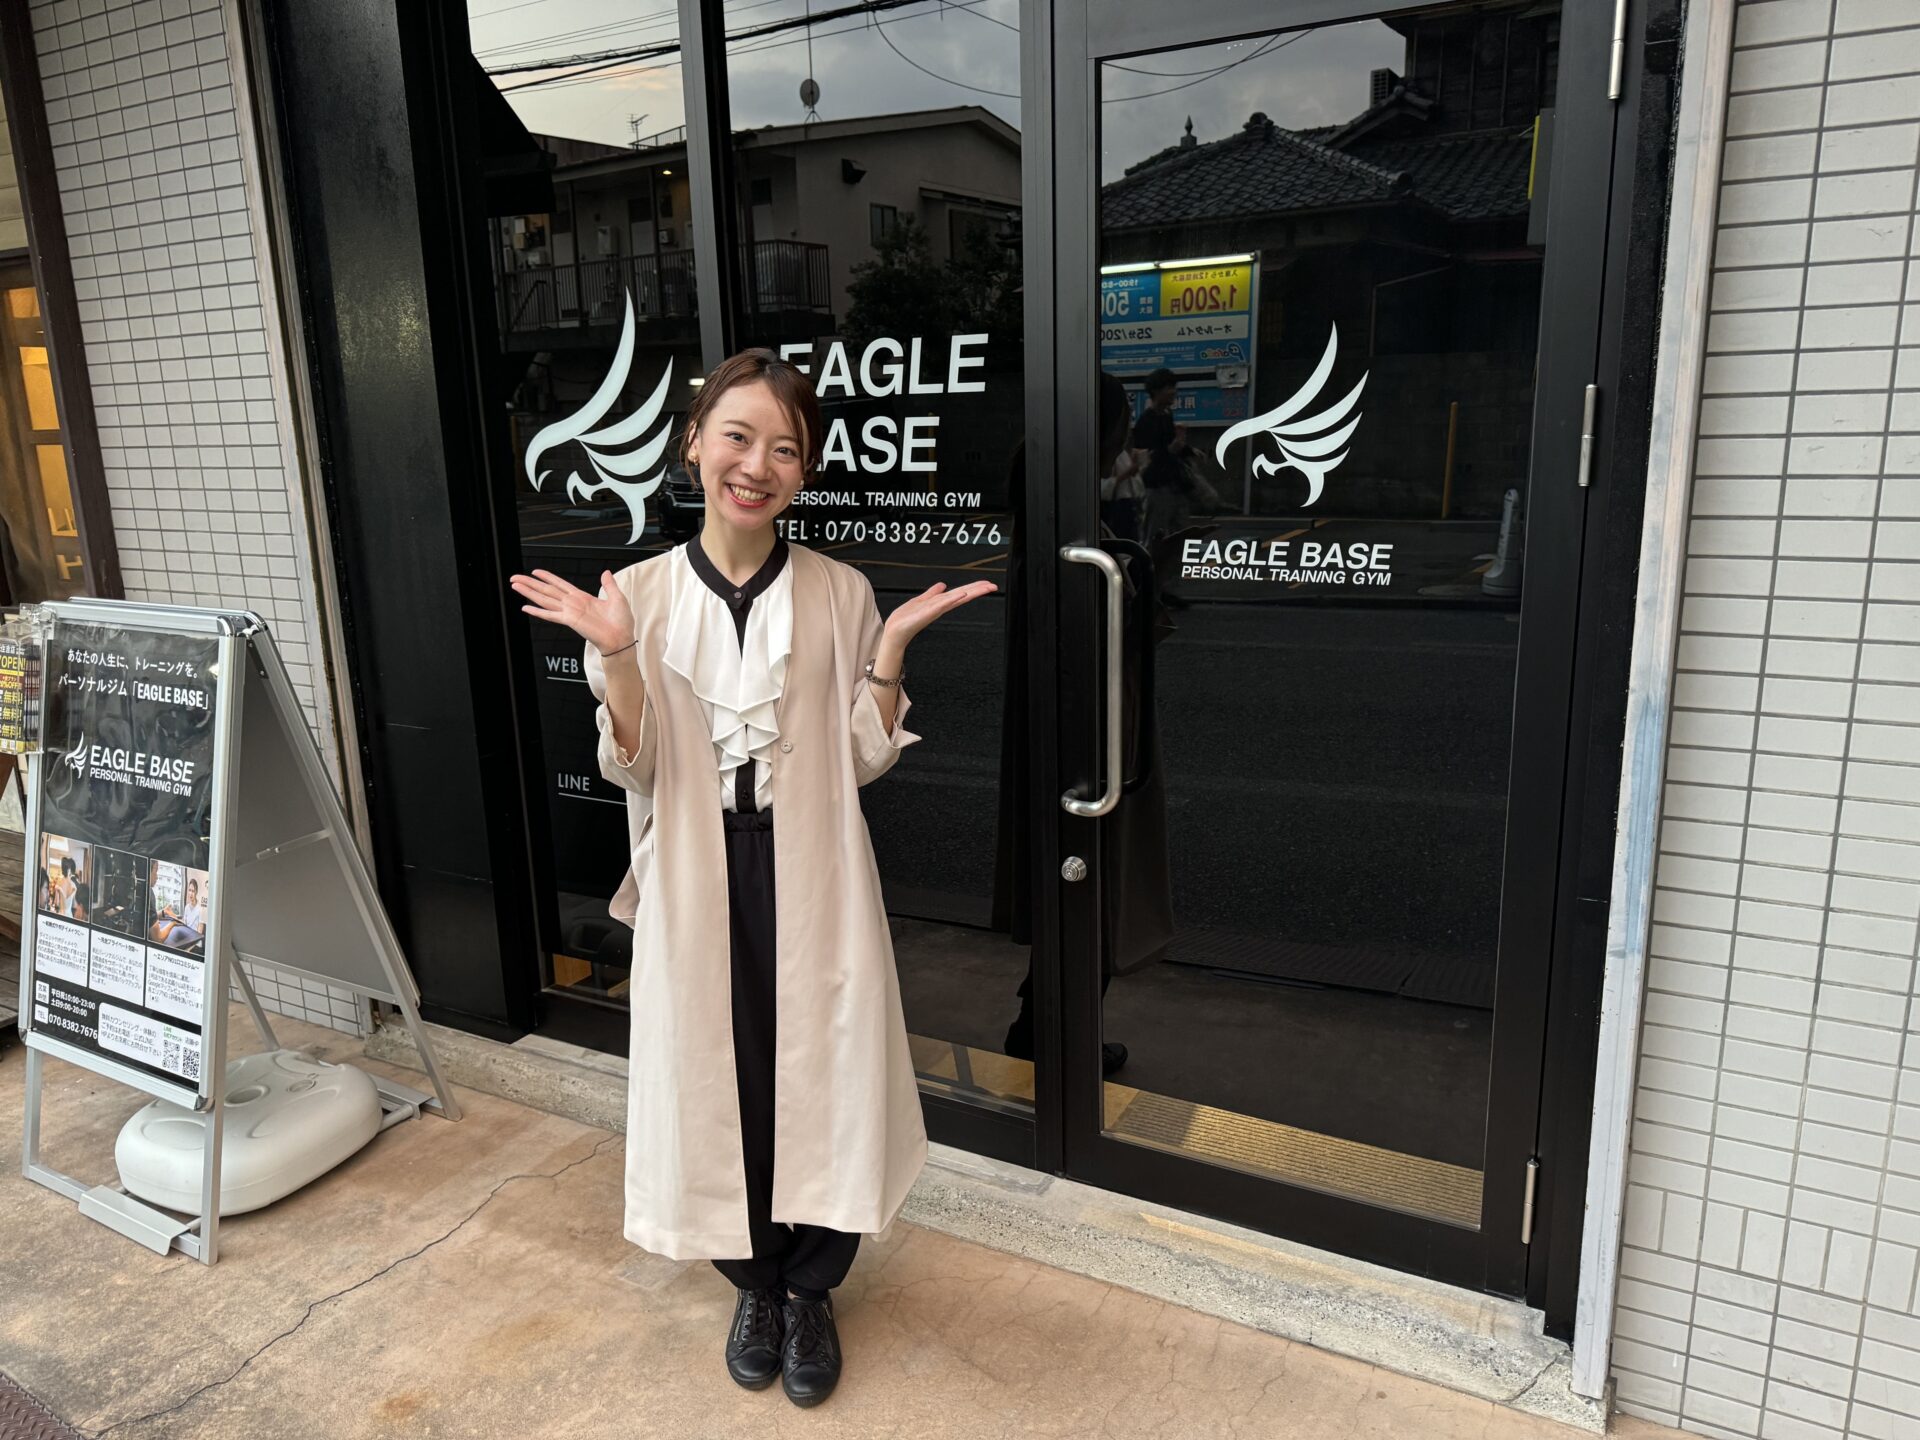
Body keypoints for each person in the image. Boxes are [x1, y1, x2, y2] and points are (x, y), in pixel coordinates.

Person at [509, 349, 994, 1409]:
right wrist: (620, 658)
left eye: (785, 448)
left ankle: (812, 1287)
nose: (757, 465)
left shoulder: (840, 590)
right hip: (698, 865)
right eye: (737, 437)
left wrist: (889, 652)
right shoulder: (637, 595)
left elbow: (862, 757)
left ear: (804, 470)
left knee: (821, 1068)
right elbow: (634, 765)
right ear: (694, 444)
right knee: (721, 1074)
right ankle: (755, 1283)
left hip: (811, 864)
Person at [1131, 367, 1195, 608]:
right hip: (1156, 487)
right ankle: (1149, 589)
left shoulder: (1166, 416)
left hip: (1173, 485)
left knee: (1177, 539)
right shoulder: (1146, 421)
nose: (1174, 392)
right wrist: (1173, 448)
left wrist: (1187, 450)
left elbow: (1171, 449)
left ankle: (1166, 588)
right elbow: (1148, 457)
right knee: (1155, 539)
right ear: (1157, 391)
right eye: (1169, 388)